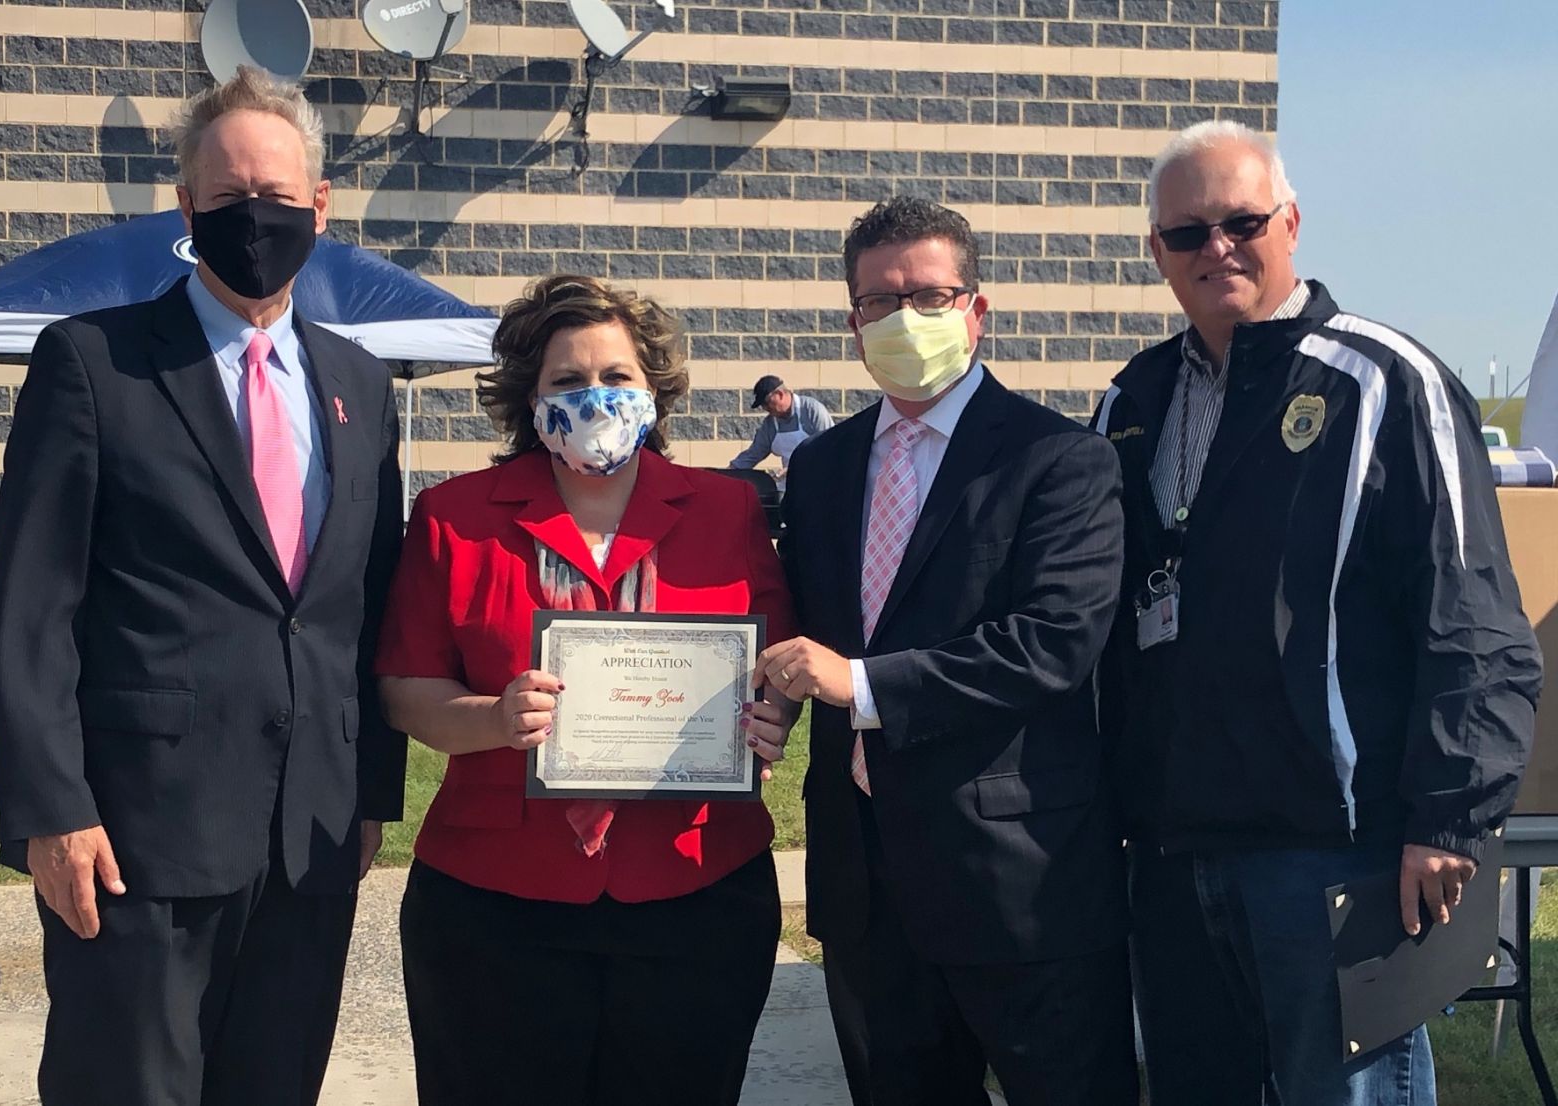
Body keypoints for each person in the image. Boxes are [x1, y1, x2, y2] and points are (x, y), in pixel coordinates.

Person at [1093, 120, 1541, 1106]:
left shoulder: (1386, 381)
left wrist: (1448, 818)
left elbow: (1470, 622)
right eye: (1186, 232)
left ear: (1290, 221)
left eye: (1241, 221)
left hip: (1333, 846)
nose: (1216, 248)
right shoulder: (1131, 398)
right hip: (1173, 851)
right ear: (1155, 251)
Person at [0, 65, 405, 1106]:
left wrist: (371, 791)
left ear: (319, 204)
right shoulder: (93, 362)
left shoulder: (360, 382)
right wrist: (50, 809)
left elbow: (363, 601)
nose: (252, 218)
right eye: (225, 200)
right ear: (186, 208)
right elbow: (33, 608)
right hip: (136, 832)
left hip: (308, 830)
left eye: (275, 196)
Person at [375, 273, 798, 1106]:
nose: (595, 397)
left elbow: (775, 660)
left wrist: (766, 718)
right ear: (529, 398)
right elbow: (404, 687)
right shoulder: (454, 516)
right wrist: (495, 719)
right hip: (496, 905)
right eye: (567, 381)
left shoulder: (727, 509)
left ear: (654, 390)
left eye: (617, 377)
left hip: (696, 892)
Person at [758, 196, 1136, 1105]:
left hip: (1017, 881)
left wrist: (859, 683)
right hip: (862, 882)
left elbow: (1055, 642)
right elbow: (802, 629)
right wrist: (765, 696)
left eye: (928, 296)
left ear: (976, 309)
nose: (904, 320)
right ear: (854, 322)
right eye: (879, 303)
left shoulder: (1059, 459)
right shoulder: (821, 468)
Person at [730, 375, 834, 479]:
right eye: (762, 405)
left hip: (820, 481)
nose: (765, 408)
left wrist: (796, 469)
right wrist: (729, 473)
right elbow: (752, 455)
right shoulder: (770, 424)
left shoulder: (812, 410)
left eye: (766, 403)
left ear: (780, 394)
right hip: (790, 485)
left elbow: (831, 448)